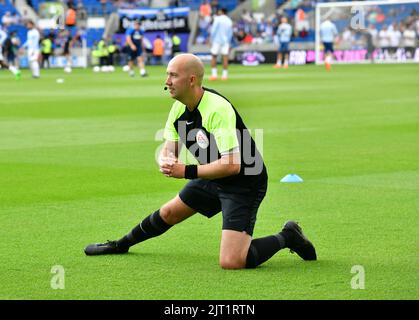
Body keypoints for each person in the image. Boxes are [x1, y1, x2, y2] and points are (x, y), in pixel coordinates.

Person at [84, 53, 317, 269]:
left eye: (173, 75)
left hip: (244, 182)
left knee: (232, 261)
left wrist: (184, 171)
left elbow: (232, 165)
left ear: (192, 80)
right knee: (168, 213)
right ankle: (120, 244)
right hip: (212, 176)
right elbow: (169, 148)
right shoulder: (178, 109)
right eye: (167, 74)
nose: (167, 81)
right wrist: (166, 160)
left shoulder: (217, 109)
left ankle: (288, 236)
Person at [209, 8, 233, 81]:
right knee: (225, 57)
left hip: (217, 40)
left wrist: (211, 40)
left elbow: (213, 30)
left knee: (214, 56)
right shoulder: (229, 21)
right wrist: (228, 42)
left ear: (221, 11)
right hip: (225, 41)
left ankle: (214, 75)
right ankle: (224, 75)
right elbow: (230, 33)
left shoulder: (217, 19)